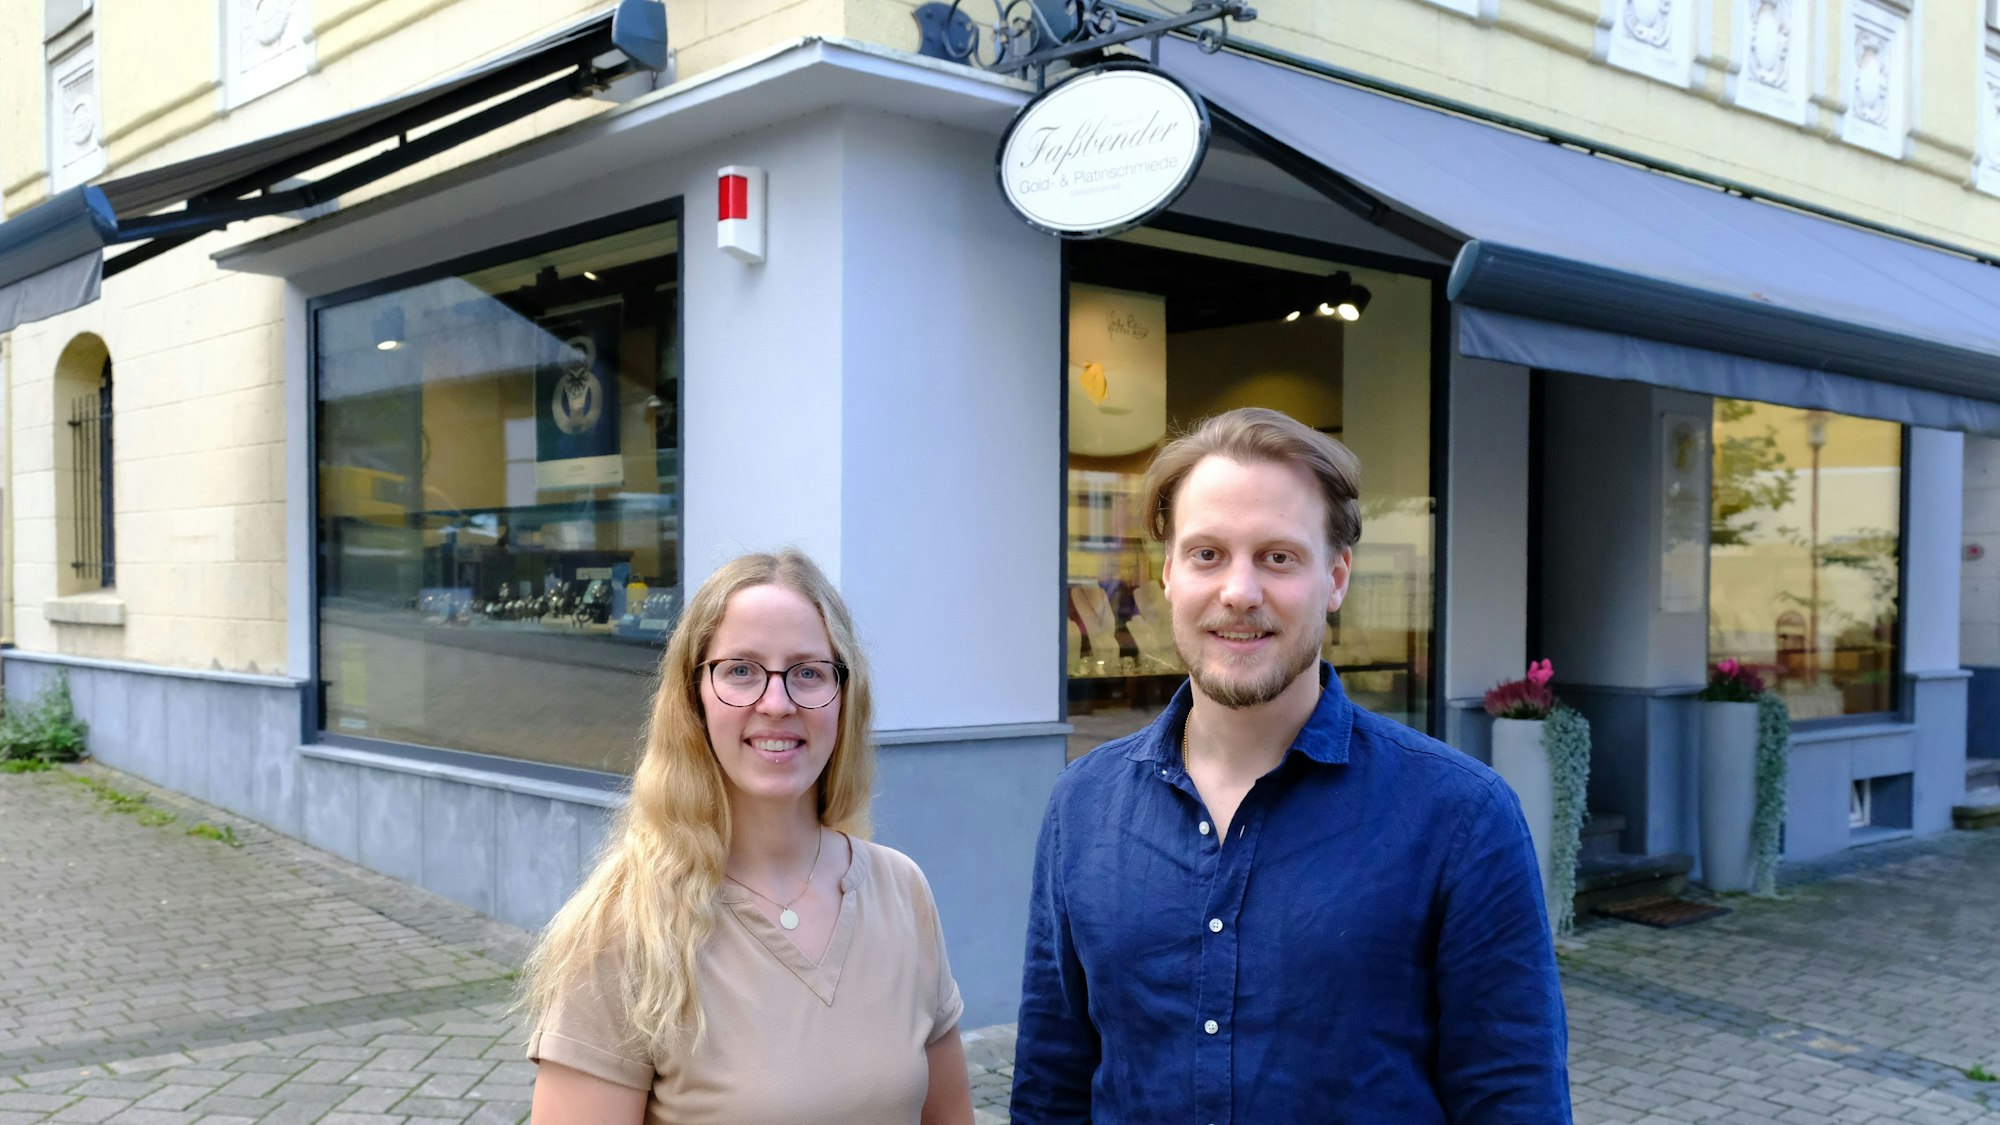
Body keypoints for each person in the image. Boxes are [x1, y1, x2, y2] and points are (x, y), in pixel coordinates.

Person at [1011, 407, 1570, 1124]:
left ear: (1336, 578)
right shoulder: (1082, 807)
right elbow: (1052, 1085)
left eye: (1278, 556)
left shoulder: (1461, 817)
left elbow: (1512, 1099)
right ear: (1169, 577)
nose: (1239, 591)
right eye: (1207, 554)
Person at [522, 549, 974, 1125]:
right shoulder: (626, 927)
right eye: (740, 670)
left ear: (845, 695)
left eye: (808, 672)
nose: (777, 703)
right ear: (695, 698)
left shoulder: (901, 891)